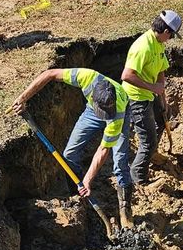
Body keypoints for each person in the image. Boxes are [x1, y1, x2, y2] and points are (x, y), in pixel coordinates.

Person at [9, 66, 134, 227]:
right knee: (69, 154)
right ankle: (79, 196)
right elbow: (50, 74)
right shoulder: (87, 77)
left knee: (120, 162)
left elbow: (103, 149)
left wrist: (88, 179)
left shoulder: (116, 115)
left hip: (120, 114)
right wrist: (23, 98)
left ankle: (125, 209)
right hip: (91, 111)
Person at [121, 9, 182, 186]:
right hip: (137, 98)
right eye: (171, 36)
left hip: (150, 94)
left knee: (162, 122)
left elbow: (161, 70)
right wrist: (152, 87)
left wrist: (162, 98)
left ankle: (151, 154)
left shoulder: (158, 43)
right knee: (148, 141)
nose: (170, 40)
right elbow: (127, 75)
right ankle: (138, 177)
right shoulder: (143, 47)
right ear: (166, 32)